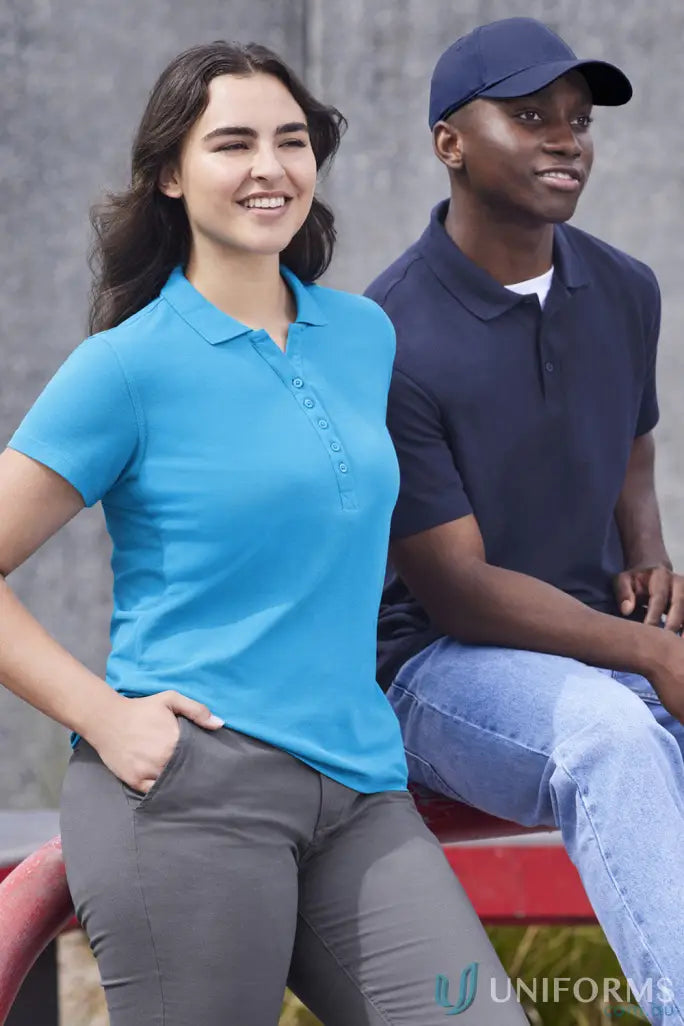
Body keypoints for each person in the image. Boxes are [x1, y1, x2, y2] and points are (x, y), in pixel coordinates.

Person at [0, 40, 528, 1026]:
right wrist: (106, 717)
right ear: (169, 174)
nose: (269, 167)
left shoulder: (362, 335)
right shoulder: (127, 367)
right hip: (191, 795)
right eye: (232, 143)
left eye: (291, 140)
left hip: (361, 786)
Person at [366, 16, 684, 1025]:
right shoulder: (389, 334)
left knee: (627, 712)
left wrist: (648, 552)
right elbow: (457, 590)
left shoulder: (624, 287)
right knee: (612, 736)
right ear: (449, 143)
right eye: (531, 116)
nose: (566, 139)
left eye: (578, 120)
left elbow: (633, 439)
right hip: (435, 667)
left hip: (599, 633)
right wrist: (651, 654)